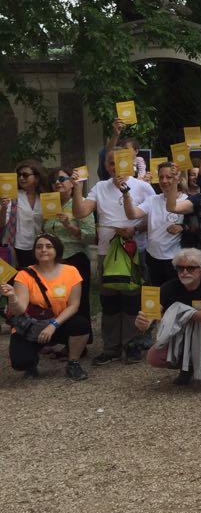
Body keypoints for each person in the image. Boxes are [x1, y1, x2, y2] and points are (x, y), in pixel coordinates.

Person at [72, 147, 153, 366]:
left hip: (135, 252)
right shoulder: (100, 187)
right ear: (106, 165)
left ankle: (131, 345)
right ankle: (111, 348)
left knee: (131, 300)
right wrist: (77, 187)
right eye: (110, 162)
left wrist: (135, 230)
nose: (115, 166)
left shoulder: (143, 187)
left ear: (131, 161)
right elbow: (80, 212)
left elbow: (153, 217)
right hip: (107, 252)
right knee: (109, 301)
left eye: (120, 161)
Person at [135, 247, 201, 395]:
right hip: (180, 333)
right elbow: (153, 313)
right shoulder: (168, 287)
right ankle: (187, 366)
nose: (184, 272)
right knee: (154, 358)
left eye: (190, 268)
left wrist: (182, 313)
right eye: (180, 268)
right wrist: (143, 322)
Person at [1, 233, 92, 380]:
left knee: (81, 324)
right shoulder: (24, 275)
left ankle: (73, 363)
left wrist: (53, 325)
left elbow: (74, 305)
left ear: (57, 250)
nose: (43, 250)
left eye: (48, 246)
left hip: (58, 322)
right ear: (34, 251)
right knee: (20, 363)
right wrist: (12, 297)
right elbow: (20, 309)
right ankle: (31, 362)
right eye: (39, 247)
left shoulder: (71, 271)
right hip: (31, 325)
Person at [120, 162, 187, 287]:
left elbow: (195, 227)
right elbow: (132, 214)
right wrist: (126, 194)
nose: (164, 181)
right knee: (157, 297)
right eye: (161, 177)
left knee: (174, 297)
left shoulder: (186, 200)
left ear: (177, 179)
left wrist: (183, 227)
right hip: (152, 258)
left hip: (176, 260)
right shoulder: (153, 199)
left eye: (169, 177)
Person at [44, 167, 96, 322]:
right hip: (53, 262)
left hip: (75, 260)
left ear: (72, 183)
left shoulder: (81, 203)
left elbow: (90, 236)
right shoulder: (48, 205)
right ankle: (60, 339)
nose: (57, 183)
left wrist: (69, 226)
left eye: (61, 179)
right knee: (56, 301)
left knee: (78, 303)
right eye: (54, 181)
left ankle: (80, 342)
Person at [1, 160, 48, 268]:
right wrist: (3, 208)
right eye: (19, 175)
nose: (21, 178)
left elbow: (49, 223)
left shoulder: (44, 197)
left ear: (36, 178)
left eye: (25, 175)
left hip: (40, 247)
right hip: (17, 247)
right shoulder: (13, 196)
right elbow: (1, 223)